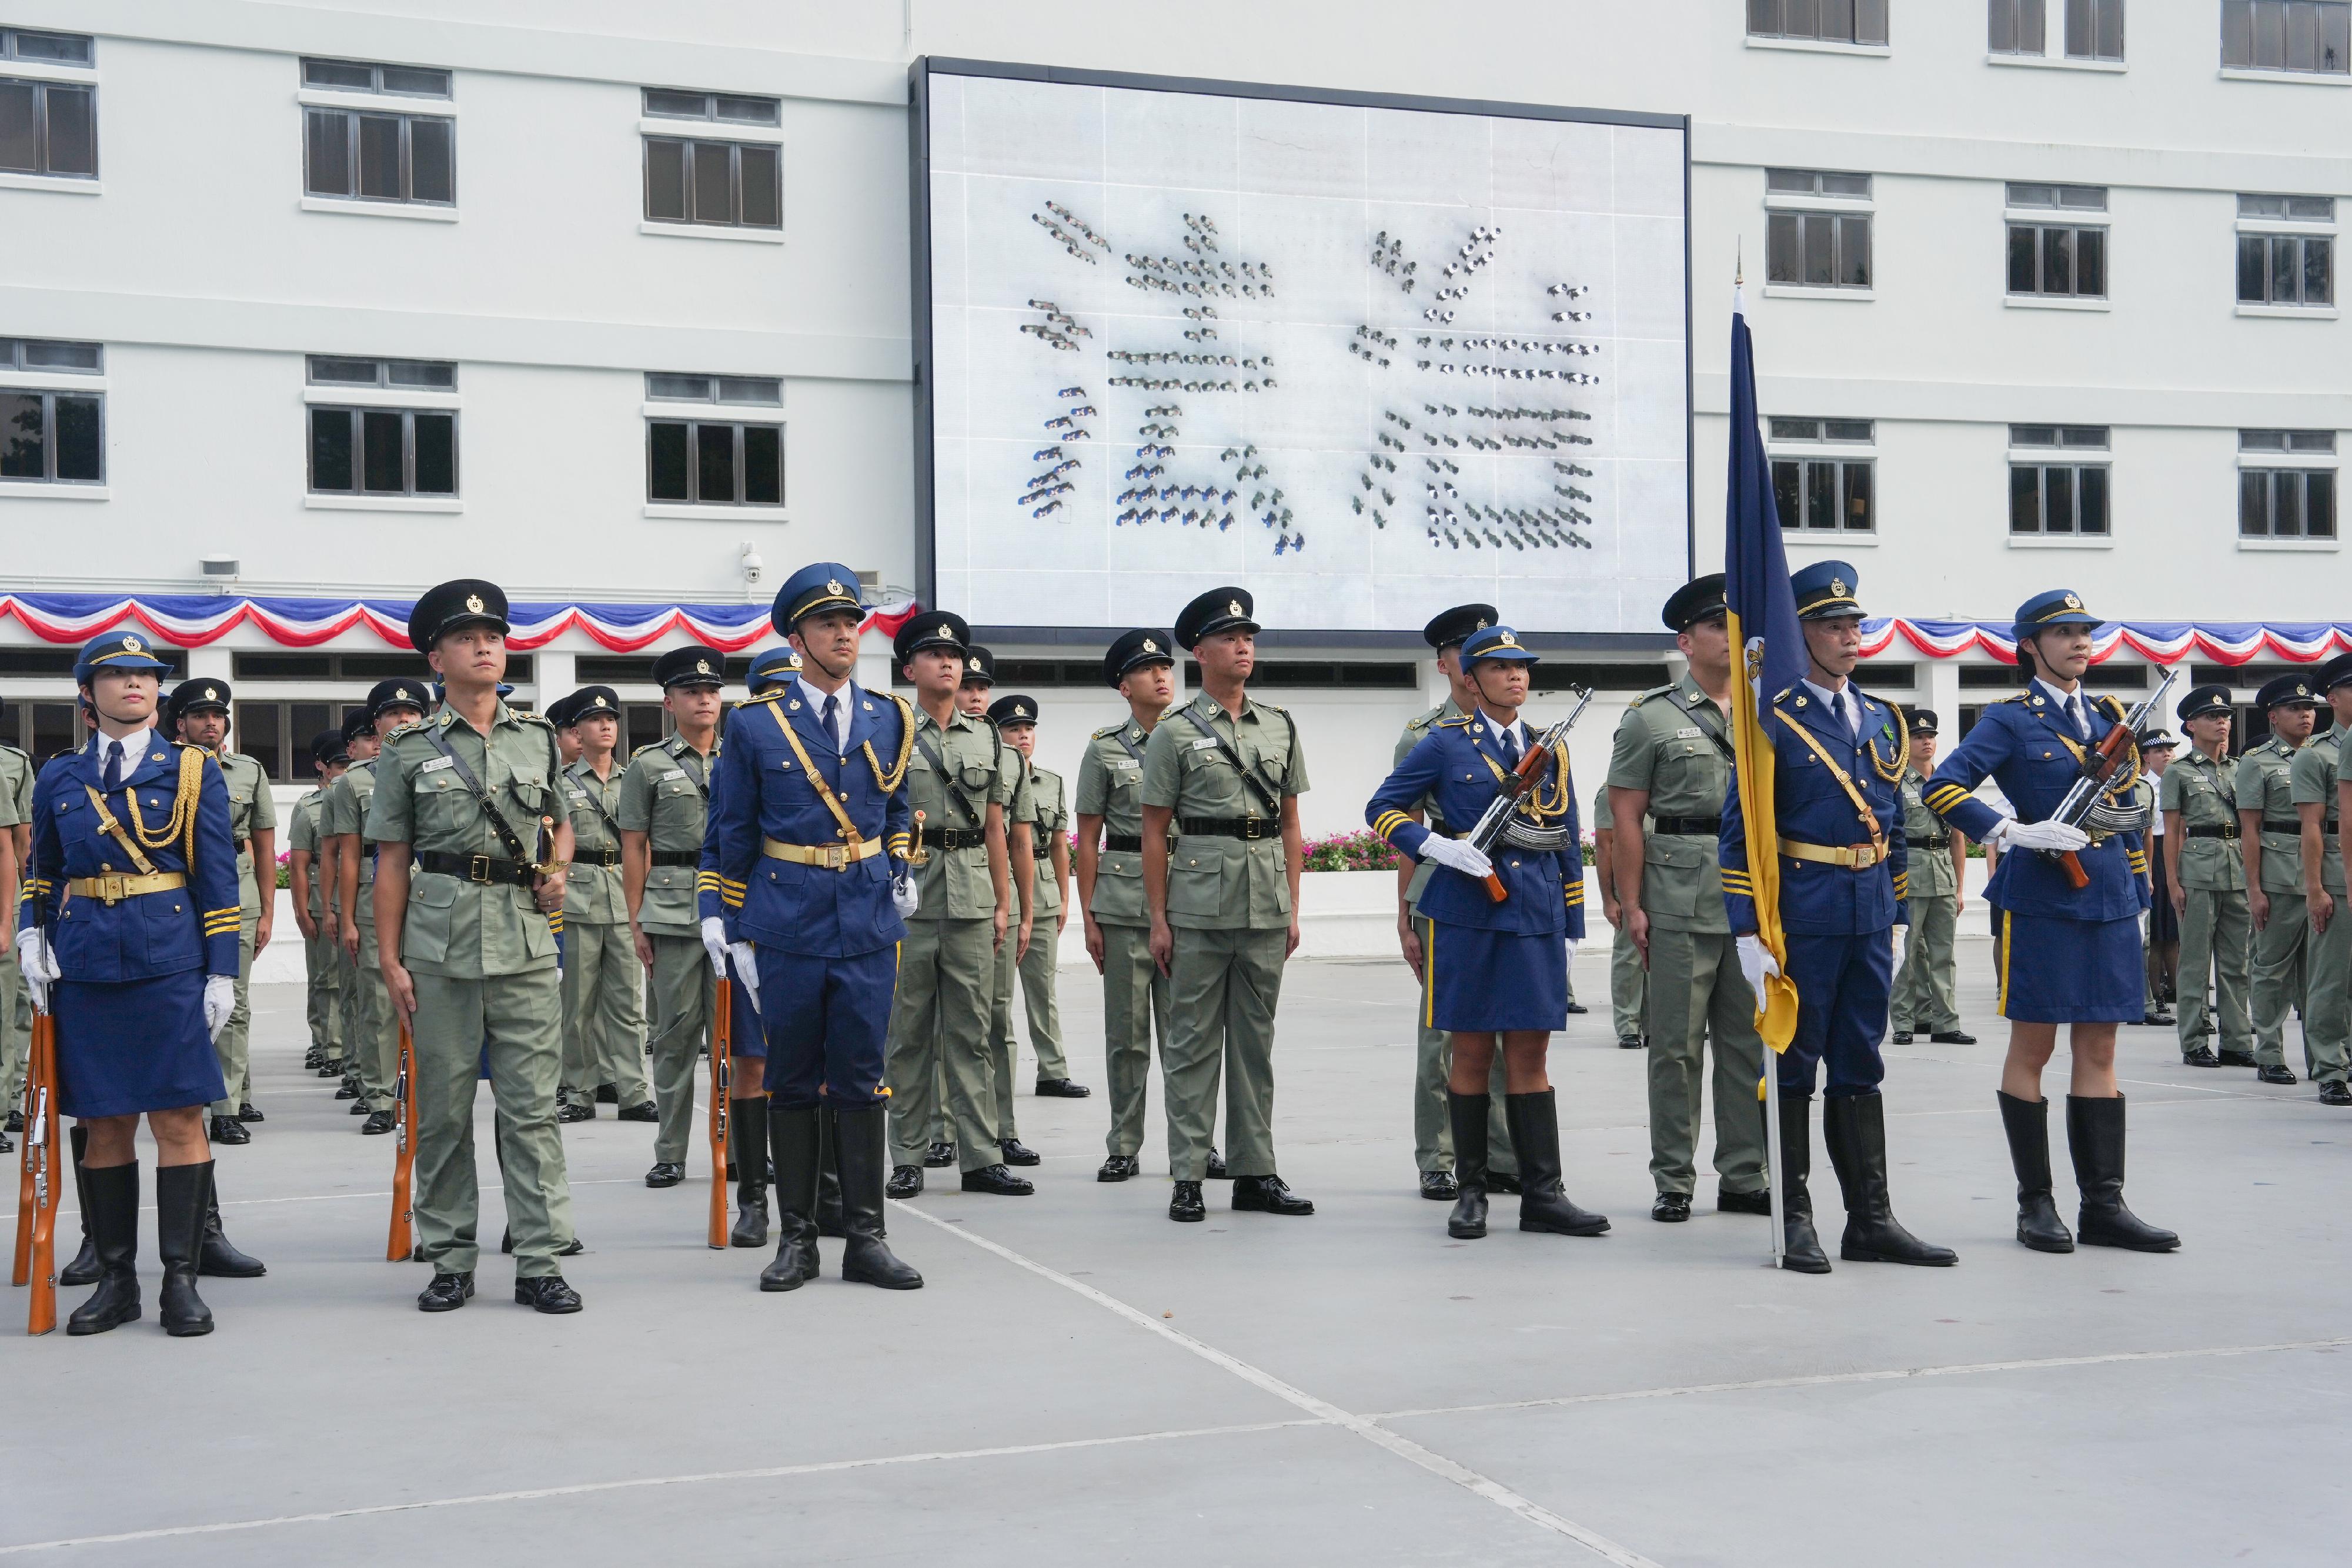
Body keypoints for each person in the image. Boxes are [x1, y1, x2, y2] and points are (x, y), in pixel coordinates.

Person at [1926, 587, 2175, 1255]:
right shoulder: (2009, 720)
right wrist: (2013, 829)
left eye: (2085, 632)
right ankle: (2035, 1206)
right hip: (2041, 898)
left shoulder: (2110, 715)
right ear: (2030, 646)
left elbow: (2123, 802)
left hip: (2108, 898)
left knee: (2099, 1049)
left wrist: (2137, 885)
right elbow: (1942, 787)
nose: (2079, 643)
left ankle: (2104, 1204)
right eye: (2062, 633)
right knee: (2032, 1049)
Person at [699, 563, 923, 1292]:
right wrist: (728, 923)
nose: (844, 634)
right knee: (793, 1080)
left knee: (862, 1080)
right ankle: (797, 1239)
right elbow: (732, 828)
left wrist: (898, 861)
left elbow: (896, 807)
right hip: (786, 917)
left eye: (852, 622)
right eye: (828, 624)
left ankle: (866, 1236)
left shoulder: (889, 716)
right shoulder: (756, 724)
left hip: (864, 917)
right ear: (797, 639)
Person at [1726, 561, 1952, 1273]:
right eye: (1832, 626)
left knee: (1861, 1061)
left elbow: (1891, 821)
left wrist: (1900, 908)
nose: (1850, 637)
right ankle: (1794, 1219)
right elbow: (1739, 832)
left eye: (1854, 624)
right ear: (1801, 636)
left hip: (1867, 914)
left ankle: (1870, 1219)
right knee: (1793, 1066)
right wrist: (1745, 931)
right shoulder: (1771, 718)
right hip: (1801, 913)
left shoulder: (1882, 716)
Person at [15, 632, 243, 1335]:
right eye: (116, 676)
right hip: (84, 965)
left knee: (178, 1119)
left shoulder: (195, 772)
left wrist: (221, 972)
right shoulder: (59, 776)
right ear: (89, 694)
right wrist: (32, 929)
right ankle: (117, 1280)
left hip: (168, 963)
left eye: (145, 675)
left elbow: (217, 876)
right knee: (103, 1123)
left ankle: (180, 1279)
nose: (134, 685)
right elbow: (43, 869)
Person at [367, 580, 582, 1314]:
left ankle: (541, 1258)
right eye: (465, 637)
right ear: (436, 657)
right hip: (440, 945)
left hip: (524, 943)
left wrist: (555, 872)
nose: (485, 645)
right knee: (446, 1111)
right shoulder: (408, 749)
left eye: (493, 635)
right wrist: (390, 960)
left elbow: (560, 824)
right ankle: (451, 1258)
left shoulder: (539, 738)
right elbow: (391, 861)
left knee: (532, 1111)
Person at [1367, 624, 1605, 1242]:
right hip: (1468, 916)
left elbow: (1565, 834)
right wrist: (1436, 847)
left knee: (1531, 1055)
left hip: (1534, 915)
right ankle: (1469, 1192)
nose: (1516, 677)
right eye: (1500, 668)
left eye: (1522, 667)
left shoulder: (1548, 747)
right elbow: (1383, 809)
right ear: (1470, 680)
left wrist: (1572, 923)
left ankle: (1543, 1194)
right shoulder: (1444, 744)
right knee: (1471, 1053)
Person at [1142, 587, 1314, 1223]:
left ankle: (1254, 1172)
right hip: (1198, 906)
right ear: (1200, 650)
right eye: (1229, 638)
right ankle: (1188, 1173)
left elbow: (1291, 823)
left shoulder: (1279, 724)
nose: (1244, 646)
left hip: (1265, 903)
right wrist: (1158, 918)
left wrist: (1292, 906)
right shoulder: (1174, 733)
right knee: (1189, 1044)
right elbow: (1155, 830)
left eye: (1249, 637)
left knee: (1254, 1045)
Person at [1612, 574, 1771, 1225]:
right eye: (1714, 626)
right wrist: (1631, 906)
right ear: (1686, 640)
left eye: (1732, 624)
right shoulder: (1650, 717)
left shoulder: (1766, 709)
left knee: (1746, 1044)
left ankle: (1744, 1175)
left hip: (1748, 900)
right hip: (1676, 898)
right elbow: (1625, 816)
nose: (1727, 636)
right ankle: (1673, 1177)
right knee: (1675, 1048)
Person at [882, 612, 1030, 1198]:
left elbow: (996, 828)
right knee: (909, 1033)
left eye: (955, 655)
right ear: (909, 668)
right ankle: (909, 1154)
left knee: (973, 1032)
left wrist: (1002, 903)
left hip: (971, 900)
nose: (949, 662)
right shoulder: (891, 730)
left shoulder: (986, 736)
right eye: (934, 654)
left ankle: (981, 1157)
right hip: (909, 900)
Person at [1392, 604, 1516, 1200]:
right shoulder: (1423, 737)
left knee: (1507, 1030)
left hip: (1508, 895)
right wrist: (1405, 917)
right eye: (1469, 652)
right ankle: (1439, 1157)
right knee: (1445, 1032)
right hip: (1444, 896)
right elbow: (1405, 832)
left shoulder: (1522, 735)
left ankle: (1498, 1155)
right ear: (1446, 664)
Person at [1073, 630, 1192, 1183]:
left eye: (1166, 666)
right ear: (1125, 686)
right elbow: (1087, 839)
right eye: (1148, 670)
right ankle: (1124, 1142)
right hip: (1123, 907)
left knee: (1186, 1034)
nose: (1162, 676)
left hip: (1188, 898)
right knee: (1127, 1035)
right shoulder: (1104, 748)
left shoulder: (1194, 738)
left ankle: (1192, 1146)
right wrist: (1090, 918)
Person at [621, 646, 726, 1188]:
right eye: (691, 691)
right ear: (670, 702)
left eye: (711, 691)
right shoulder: (648, 764)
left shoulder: (743, 757)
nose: (704, 699)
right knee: (675, 1039)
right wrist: (637, 920)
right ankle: (671, 1151)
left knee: (738, 1037)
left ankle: (740, 1147)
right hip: (672, 913)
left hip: (734, 912)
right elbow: (634, 845)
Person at [164, 680, 276, 1142]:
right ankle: (187, 1095)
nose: (211, 722)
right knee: (181, 1000)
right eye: (200, 715)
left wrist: (269, 909)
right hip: (178, 894)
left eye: (218, 715)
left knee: (235, 1001)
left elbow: (266, 843)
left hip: (237, 893)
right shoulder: (164, 767)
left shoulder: (248, 770)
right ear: (181, 723)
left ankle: (226, 1106)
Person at [328, 681, 427, 1135]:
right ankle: (382, 1096)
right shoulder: (354, 781)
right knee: (378, 1002)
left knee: (433, 998)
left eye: (413, 713)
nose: (404, 720)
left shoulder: (440, 768)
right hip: (373, 894)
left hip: (433, 893)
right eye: (394, 713)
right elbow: (349, 855)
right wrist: (345, 917)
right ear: (377, 725)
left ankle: (427, 1092)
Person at [553, 687, 652, 1127]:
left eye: (611, 718)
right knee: (577, 1005)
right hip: (577, 899)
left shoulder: (635, 778)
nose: (607, 725)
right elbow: (553, 840)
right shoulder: (562, 784)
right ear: (577, 731)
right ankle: (579, 1091)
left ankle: (633, 1093)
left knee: (630, 1005)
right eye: (596, 720)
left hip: (626, 897)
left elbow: (645, 842)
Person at [988, 694, 1088, 1129]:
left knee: (1042, 990)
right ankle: (994, 1074)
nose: (1023, 736)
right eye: (1013, 729)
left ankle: (1053, 1069)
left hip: (1043, 892)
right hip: (998, 889)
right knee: (998, 995)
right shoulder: (992, 777)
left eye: (1028, 729)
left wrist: (1064, 898)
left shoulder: (1052, 782)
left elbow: (1061, 844)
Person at [2239, 674, 2323, 1084]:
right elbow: (2249, 830)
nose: (2305, 714)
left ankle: (2325, 1056)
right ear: (2273, 716)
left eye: (2309, 708)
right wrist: (2254, 889)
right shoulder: (2257, 761)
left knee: (2322, 973)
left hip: (2324, 873)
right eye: (2294, 708)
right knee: (2271, 968)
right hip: (2279, 877)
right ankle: (2269, 1051)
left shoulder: (2328, 754)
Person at [2163, 688, 2253, 1069]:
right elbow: (2171, 832)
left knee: (2237, 963)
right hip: (2198, 872)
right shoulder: (2179, 771)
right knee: (2196, 963)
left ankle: (2236, 1040)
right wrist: (2172, 882)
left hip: (2238, 870)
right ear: (2191, 724)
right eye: (2212, 716)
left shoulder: (2241, 768)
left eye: (2226, 716)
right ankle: (2195, 1040)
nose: (2222, 722)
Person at [1889, 710, 1973, 1047]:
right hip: (1909, 875)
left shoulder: (1946, 783)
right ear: (1906, 742)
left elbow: (1958, 839)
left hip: (1942, 878)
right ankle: (1905, 1022)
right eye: (1919, 736)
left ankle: (1945, 1023)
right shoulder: (1896, 781)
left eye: (1931, 736)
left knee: (1944, 954)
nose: (1927, 742)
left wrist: (1960, 888)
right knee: (1907, 955)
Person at [2290, 653, 2352, 1106]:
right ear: (2333, 697)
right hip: (2336, 872)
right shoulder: (2315, 755)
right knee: (2331, 978)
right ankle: (2330, 1066)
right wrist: (2315, 888)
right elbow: (2312, 827)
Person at [288, 730, 348, 1090]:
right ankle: (330, 1046)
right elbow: (298, 864)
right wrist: (301, 911)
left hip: (361, 896)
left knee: (353, 982)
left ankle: (343, 1046)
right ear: (322, 768)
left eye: (349, 764)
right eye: (339, 765)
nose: (345, 771)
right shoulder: (309, 807)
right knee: (326, 977)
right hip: (320, 899)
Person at [1593, 780, 1647, 1053]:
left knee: (1666, 954)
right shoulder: (1612, 793)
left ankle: (1654, 1024)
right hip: (1627, 884)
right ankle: (1628, 1025)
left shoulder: (1662, 786)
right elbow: (1604, 845)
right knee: (1629, 955)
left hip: (1662, 879)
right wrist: (1608, 899)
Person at [0, 726, 34, 1154]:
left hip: (11, 898)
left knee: (15, 1005)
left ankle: (11, 1095)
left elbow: (20, 842)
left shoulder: (15, 762)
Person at [2136, 731, 2180, 1028]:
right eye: (2159, 750)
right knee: (2154, 930)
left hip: (2175, 851)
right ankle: (2154, 991)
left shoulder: (2181, 779)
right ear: (2146, 758)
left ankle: (2177, 989)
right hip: (2154, 851)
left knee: (2174, 927)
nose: (2166, 755)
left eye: (2169, 749)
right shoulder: (2143, 786)